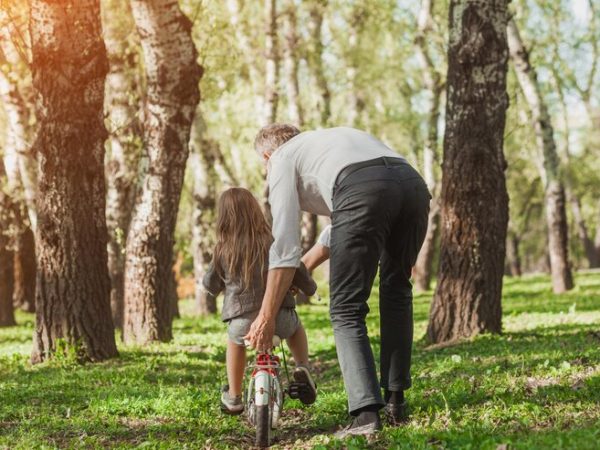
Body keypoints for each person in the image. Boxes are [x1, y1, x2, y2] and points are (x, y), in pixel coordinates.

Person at [244, 125, 431, 437]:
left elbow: (285, 246)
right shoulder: (326, 143)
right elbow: (342, 225)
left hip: (363, 189)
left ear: (266, 156)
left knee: (346, 308)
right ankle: (396, 403)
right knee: (397, 290)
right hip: (412, 184)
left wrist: (265, 317)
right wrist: (302, 269)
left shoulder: (281, 159)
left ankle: (365, 415)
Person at [203, 187, 318, 415]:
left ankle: (234, 396)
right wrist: (309, 288)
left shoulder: (222, 249)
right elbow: (298, 271)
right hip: (280, 317)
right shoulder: (273, 242)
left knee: (234, 342)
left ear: (223, 216)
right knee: (296, 328)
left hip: (241, 323)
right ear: (255, 210)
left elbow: (210, 285)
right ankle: (302, 366)